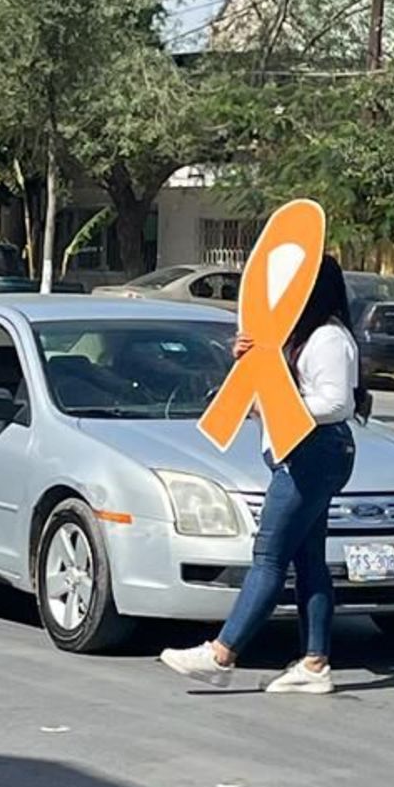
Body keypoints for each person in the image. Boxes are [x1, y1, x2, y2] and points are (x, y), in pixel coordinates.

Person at [160, 254, 363, 695]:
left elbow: (337, 403)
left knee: (269, 555)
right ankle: (314, 663)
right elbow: (266, 389)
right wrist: (247, 360)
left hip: (313, 453)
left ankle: (222, 654)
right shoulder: (296, 336)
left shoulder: (328, 337)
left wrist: (277, 406)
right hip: (302, 452)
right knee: (307, 558)